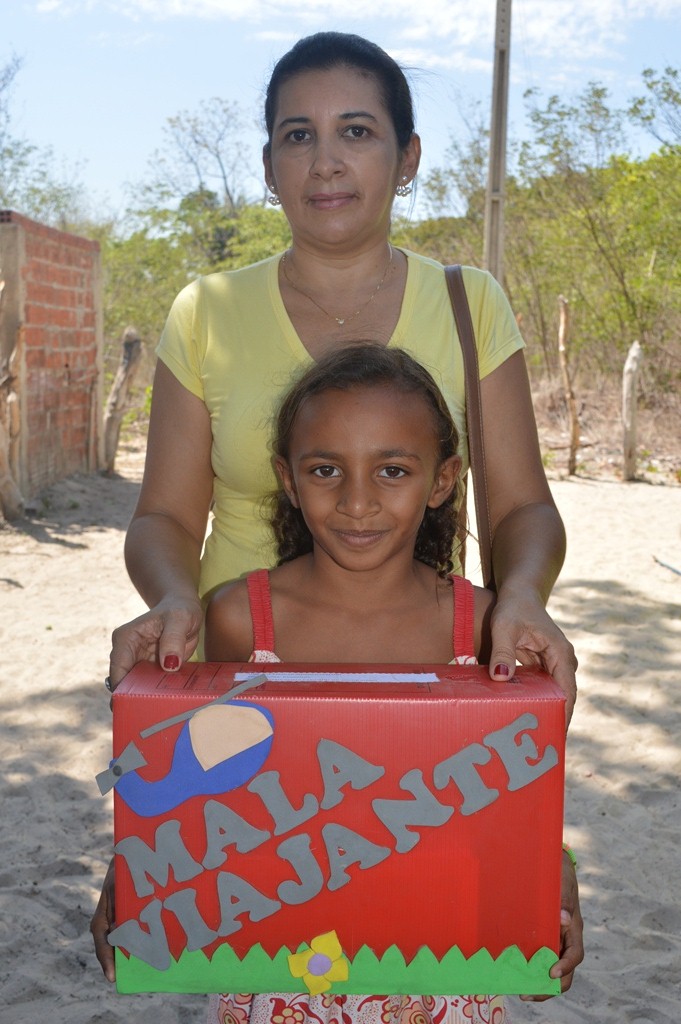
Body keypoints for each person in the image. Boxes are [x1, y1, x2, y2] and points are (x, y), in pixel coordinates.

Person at [93, 29, 581, 994]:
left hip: (428, 695)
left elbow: (525, 506)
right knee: (269, 956)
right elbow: (162, 520)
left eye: (356, 131)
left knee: (426, 935)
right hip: (244, 688)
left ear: (405, 159)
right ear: (267, 161)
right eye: (295, 134)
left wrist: (521, 594)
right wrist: (171, 603)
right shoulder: (206, 312)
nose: (324, 160)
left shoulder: (468, 302)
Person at [208, 344, 582, 1023]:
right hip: (280, 983)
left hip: (442, 982)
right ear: (287, 480)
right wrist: (139, 870)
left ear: (441, 481)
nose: (357, 502)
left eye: (391, 470)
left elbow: (517, 794)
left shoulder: (484, 628)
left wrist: (554, 876)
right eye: (325, 469)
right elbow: (208, 789)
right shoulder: (240, 621)